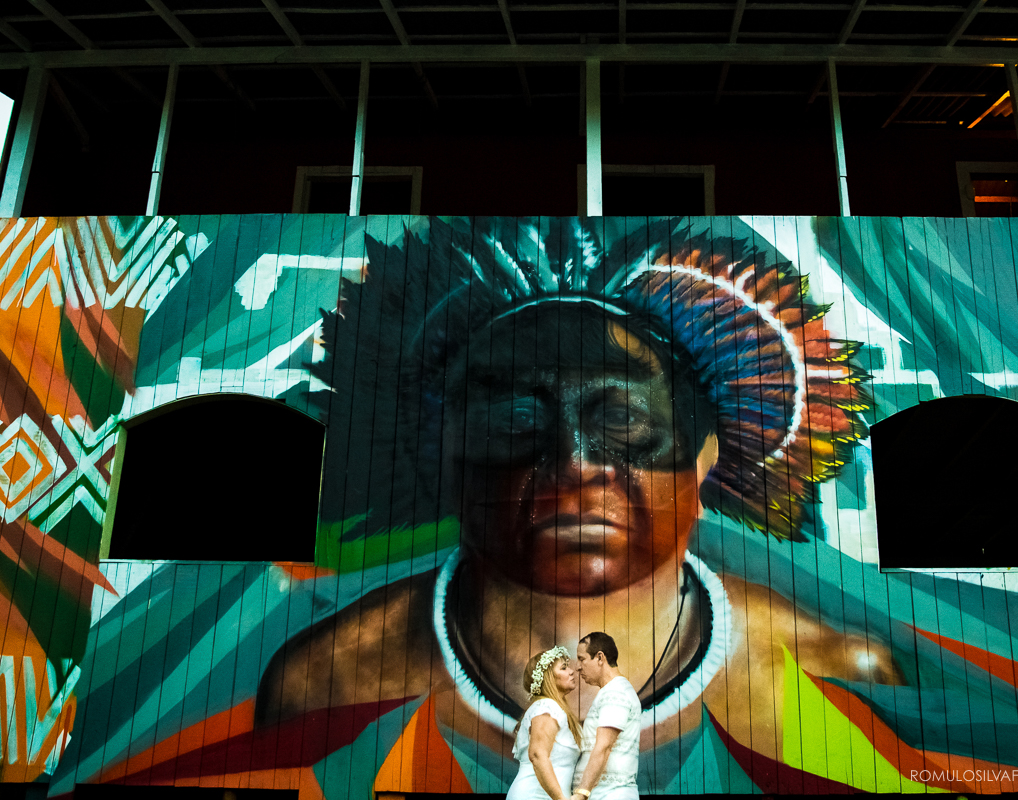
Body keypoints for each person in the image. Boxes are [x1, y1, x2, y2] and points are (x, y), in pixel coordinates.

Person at [254, 219, 899, 793]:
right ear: (442, 460)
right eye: (514, 421)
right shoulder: (327, 684)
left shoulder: (830, 672)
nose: (575, 464)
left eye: (622, 422)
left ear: (705, 456)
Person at [570, 634, 640, 800]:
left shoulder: (615, 692)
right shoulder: (613, 690)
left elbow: (604, 746)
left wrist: (581, 794)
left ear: (600, 657)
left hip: (609, 794)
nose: (578, 667)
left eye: (582, 659)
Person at [508, 646, 583, 800]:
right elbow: (538, 754)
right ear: (549, 677)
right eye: (563, 668)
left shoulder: (553, 709)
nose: (571, 671)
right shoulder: (546, 707)